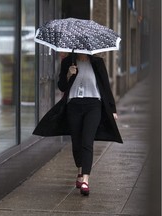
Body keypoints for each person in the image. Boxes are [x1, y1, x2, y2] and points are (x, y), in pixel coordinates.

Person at [33, 53, 123, 196]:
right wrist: (68, 74)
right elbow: (62, 86)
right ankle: (80, 170)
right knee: (76, 142)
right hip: (74, 105)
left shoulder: (97, 62)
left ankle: (85, 179)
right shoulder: (68, 62)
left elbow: (105, 86)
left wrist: (112, 109)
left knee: (87, 142)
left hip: (94, 105)